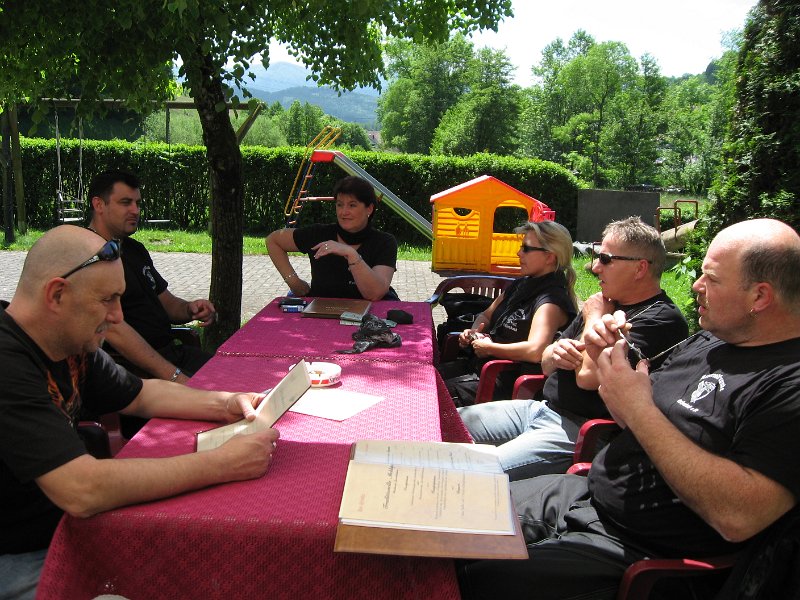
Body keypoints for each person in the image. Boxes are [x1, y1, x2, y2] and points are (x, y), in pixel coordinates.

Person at [458, 218, 800, 600]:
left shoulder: (788, 385)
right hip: (585, 496)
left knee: (465, 578)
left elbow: (739, 517)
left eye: (712, 279)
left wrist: (637, 409)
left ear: (760, 297)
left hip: (638, 551)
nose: (696, 286)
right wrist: (603, 348)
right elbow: (625, 404)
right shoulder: (709, 341)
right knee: (455, 515)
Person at [0, 226, 279, 600]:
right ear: (57, 294)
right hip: (20, 559)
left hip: (70, 531)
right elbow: (81, 489)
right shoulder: (8, 362)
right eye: (108, 299)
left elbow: (141, 394)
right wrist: (224, 463)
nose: (117, 316)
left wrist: (228, 403)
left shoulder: (64, 340)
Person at [458, 216, 688, 480]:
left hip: (579, 431)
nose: (595, 268)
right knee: (441, 422)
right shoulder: (607, 303)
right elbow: (546, 361)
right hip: (540, 409)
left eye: (605, 259)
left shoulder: (659, 320)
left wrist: (593, 317)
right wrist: (557, 353)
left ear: (640, 268)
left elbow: (587, 377)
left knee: (473, 473)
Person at [86, 169, 214, 385]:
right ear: (98, 204)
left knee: (239, 374)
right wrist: (175, 376)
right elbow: (112, 330)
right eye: (125, 203)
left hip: (172, 355)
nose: (135, 210)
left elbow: (167, 303)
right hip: (136, 372)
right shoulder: (89, 257)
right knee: (222, 395)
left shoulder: (135, 249)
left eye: (137, 203)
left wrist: (190, 308)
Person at [440, 221, 578, 405]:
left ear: (550, 257)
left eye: (526, 248)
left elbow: (535, 351)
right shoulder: (521, 284)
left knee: (431, 396)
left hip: (505, 384)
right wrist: (474, 332)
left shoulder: (551, 300)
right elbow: (486, 315)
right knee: (425, 379)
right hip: (480, 369)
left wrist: (490, 348)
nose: (519, 253)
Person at [266, 175, 398, 301]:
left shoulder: (384, 242)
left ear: (369, 209)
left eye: (352, 205)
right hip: (321, 313)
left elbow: (375, 294)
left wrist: (351, 254)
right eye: (340, 204)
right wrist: (294, 282)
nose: (343, 212)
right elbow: (273, 240)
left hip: (370, 314)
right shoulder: (319, 234)